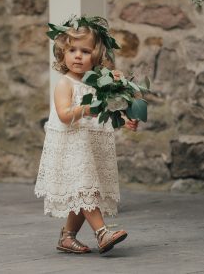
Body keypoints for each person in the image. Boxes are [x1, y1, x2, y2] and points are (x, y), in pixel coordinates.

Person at [34, 16, 138, 255]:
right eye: (72, 50)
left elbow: (106, 112)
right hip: (71, 145)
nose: (78, 56)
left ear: (97, 56)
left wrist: (124, 119)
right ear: (62, 53)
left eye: (85, 51)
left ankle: (67, 236)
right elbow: (63, 114)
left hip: (90, 144)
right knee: (85, 190)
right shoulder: (66, 84)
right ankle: (103, 233)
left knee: (84, 194)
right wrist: (88, 108)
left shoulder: (97, 84)